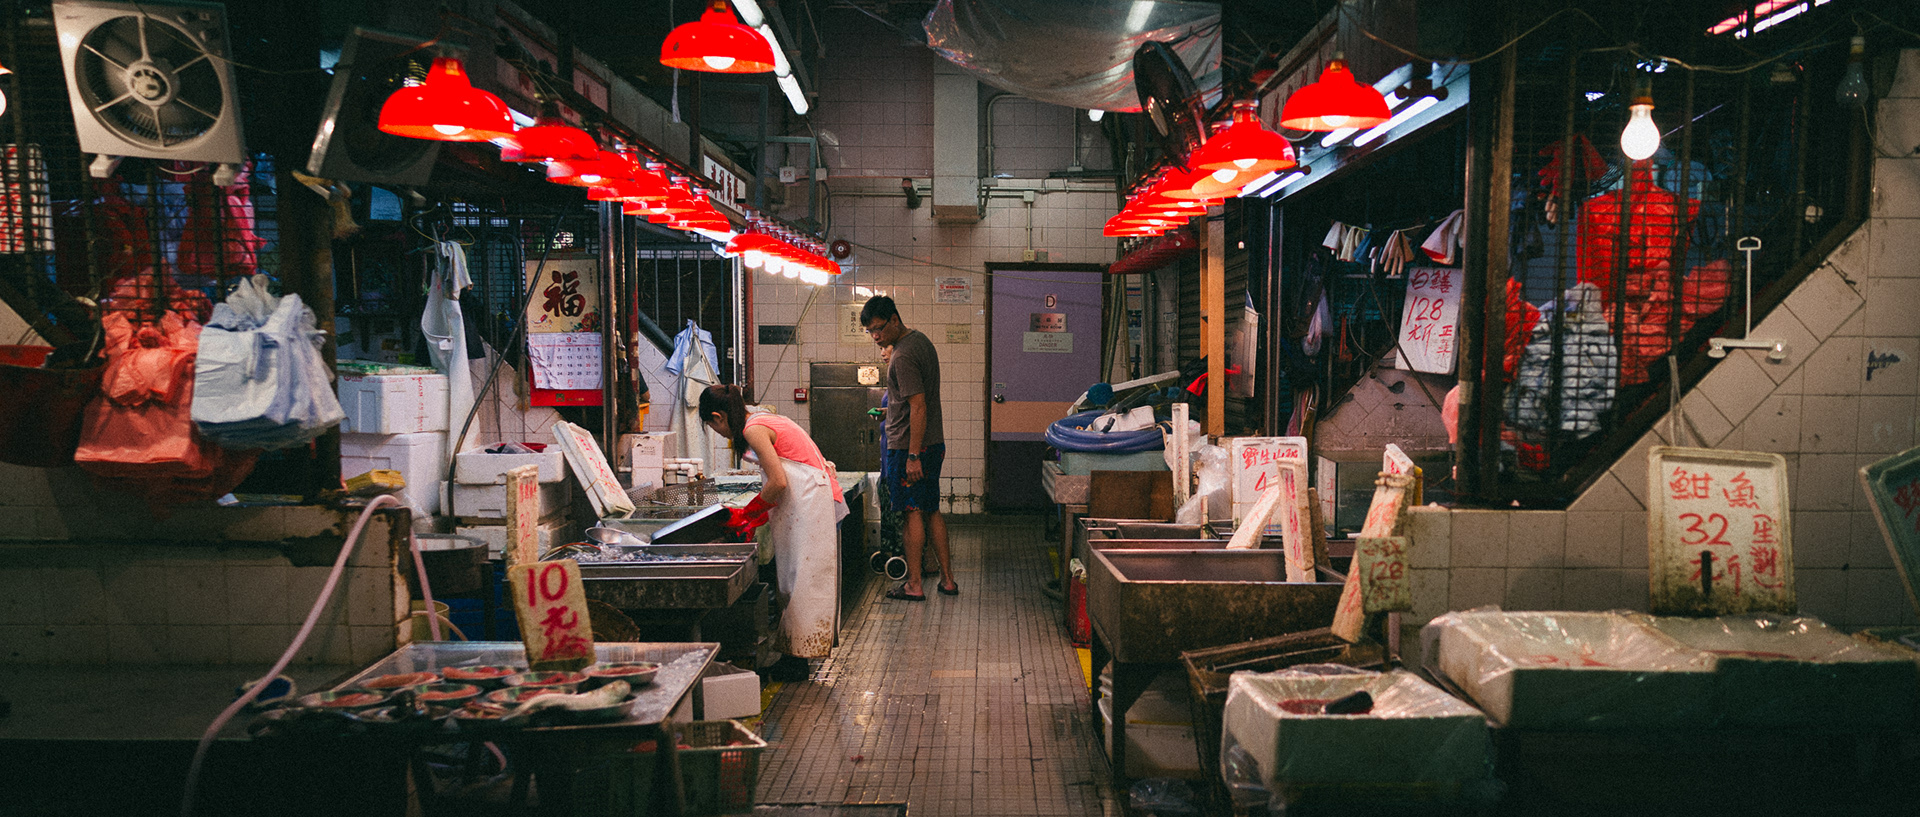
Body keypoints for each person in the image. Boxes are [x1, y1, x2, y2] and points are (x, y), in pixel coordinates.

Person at [698, 384, 847, 664]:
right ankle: (797, 654)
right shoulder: (761, 418)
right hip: (813, 501)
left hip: (815, 504)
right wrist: (755, 517)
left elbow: (778, 481)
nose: (718, 432)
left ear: (718, 417)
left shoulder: (753, 429)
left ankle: (797, 660)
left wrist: (748, 513)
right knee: (798, 581)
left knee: (802, 583)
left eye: (712, 426)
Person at [861, 295, 956, 600]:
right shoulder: (922, 341)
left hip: (909, 447)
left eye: (878, 329)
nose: (876, 337)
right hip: (933, 442)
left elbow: (918, 406)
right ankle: (948, 580)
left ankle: (914, 585)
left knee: (911, 513)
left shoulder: (902, 355)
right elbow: (911, 402)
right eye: (870, 331)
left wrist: (913, 455)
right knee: (931, 510)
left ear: (894, 319)